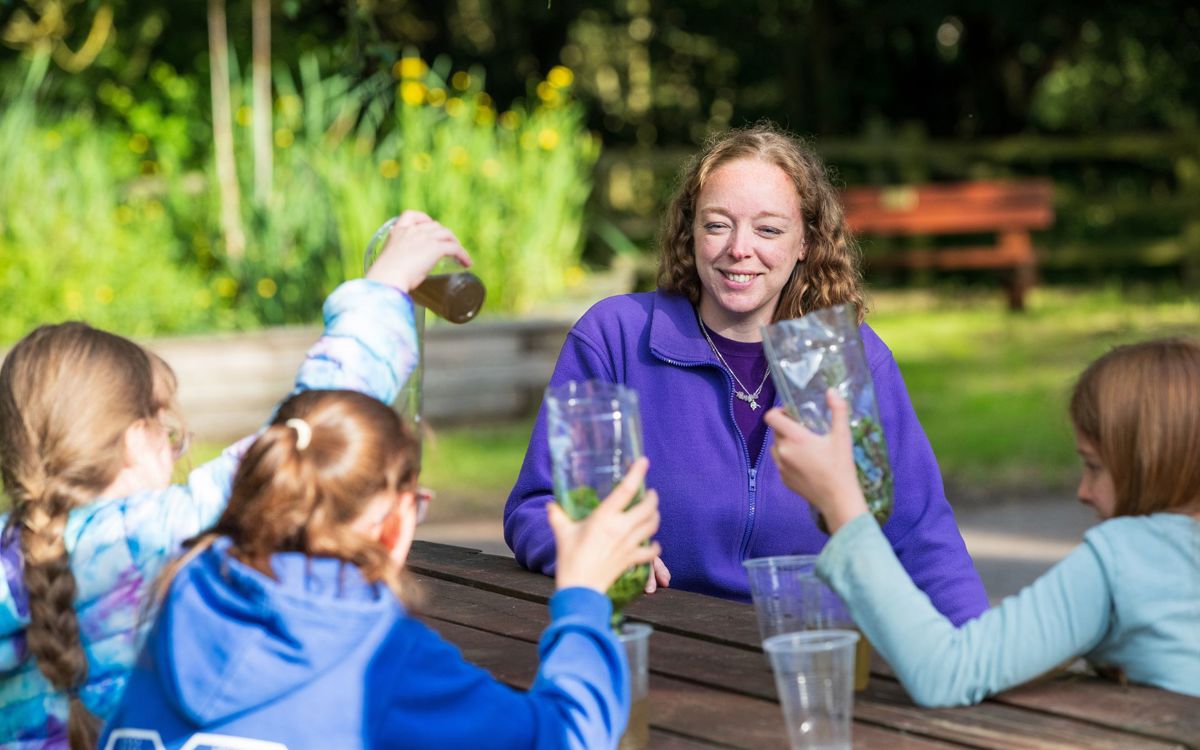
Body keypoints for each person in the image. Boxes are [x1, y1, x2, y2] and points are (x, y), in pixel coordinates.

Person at [0, 211, 469, 750]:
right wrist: (381, 289)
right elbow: (303, 436)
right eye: (170, 432)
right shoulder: (160, 530)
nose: (177, 452)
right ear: (135, 440)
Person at [504, 122, 989, 625]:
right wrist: (591, 549)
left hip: (809, 649)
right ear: (689, 232)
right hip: (657, 639)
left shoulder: (848, 360)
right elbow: (538, 507)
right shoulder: (615, 338)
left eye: (769, 229)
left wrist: (979, 653)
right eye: (717, 224)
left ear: (806, 241)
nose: (739, 248)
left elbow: (921, 535)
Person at [102, 391, 660, 749]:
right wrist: (584, 596)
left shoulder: (177, 600)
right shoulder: (376, 656)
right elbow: (564, 738)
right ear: (392, 523)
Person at [767, 337, 1200, 705]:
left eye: (1094, 467)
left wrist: (841, 503)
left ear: (1152, 464)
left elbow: (946, 672)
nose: (1083, 492)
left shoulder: (1125, 555)